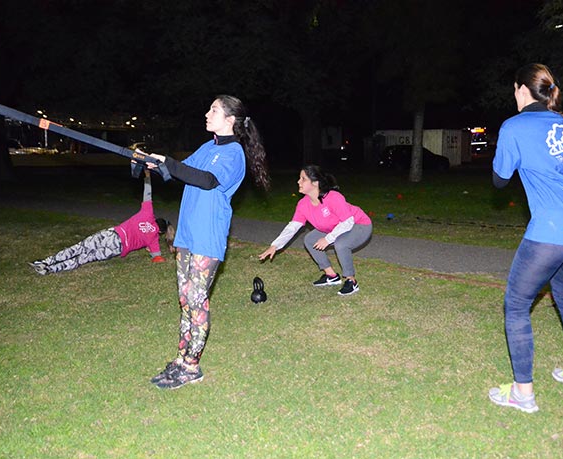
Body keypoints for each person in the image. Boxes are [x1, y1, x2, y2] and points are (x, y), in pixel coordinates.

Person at [488, 64, 563, 413]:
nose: (514, 96)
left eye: (514, 91)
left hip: (554, 229)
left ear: (522, 91)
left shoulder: (514, 126)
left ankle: (522, 394)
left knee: (516, 304)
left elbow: (499, 179)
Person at [145, 95, 270, 389]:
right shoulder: (207, 147)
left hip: (207, 236)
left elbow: (207, 180)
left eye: (213, 110)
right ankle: (181, 359)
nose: (207, 113)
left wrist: (171, 164)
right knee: (185, 300)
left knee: (197, 301)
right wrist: (152, 164)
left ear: (230, 120)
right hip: (188, 235)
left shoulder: (234, 154)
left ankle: (192, 366)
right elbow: (181, 172)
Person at [29, 170, 174, 275]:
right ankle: (49, 270)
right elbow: (158, 258)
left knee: (79, 248)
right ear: (161, 232)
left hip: (112, 235)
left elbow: (147, 193)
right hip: (116, 249)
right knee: (83, 258)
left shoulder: (147, 213)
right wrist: (160, 249)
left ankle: (47, 261)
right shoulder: (154, 239)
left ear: (155, 219)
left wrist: (147, 177)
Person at [258, 165, 372, 296]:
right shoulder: (303, 205)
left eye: (303, 179)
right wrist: (275, 245)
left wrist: (328, 239)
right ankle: (331, 276)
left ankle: (351, 281)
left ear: (315, 183)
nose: (298, 182)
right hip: (336, 227)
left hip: (359, 225)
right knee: (310, 239)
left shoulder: (333, 197)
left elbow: (347, 222)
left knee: (341, 243)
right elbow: (292, 227)